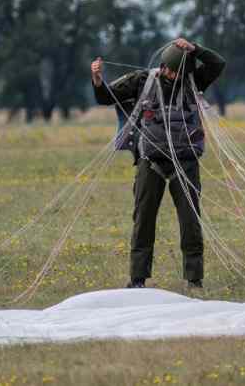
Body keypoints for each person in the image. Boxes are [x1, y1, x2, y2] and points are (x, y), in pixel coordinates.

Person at [90, 38, 226, 289]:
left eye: (173, 70)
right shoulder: (144, 80)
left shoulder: (194, 81)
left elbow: (218, 63)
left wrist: (195, 48)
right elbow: (106, 97)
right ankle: (138, 279)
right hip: (149, 161)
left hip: (185, 163)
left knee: (190, 221)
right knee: (143, 219)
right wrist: (98, 80)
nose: (167, 72)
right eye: (165, 67)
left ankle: (194, 279)